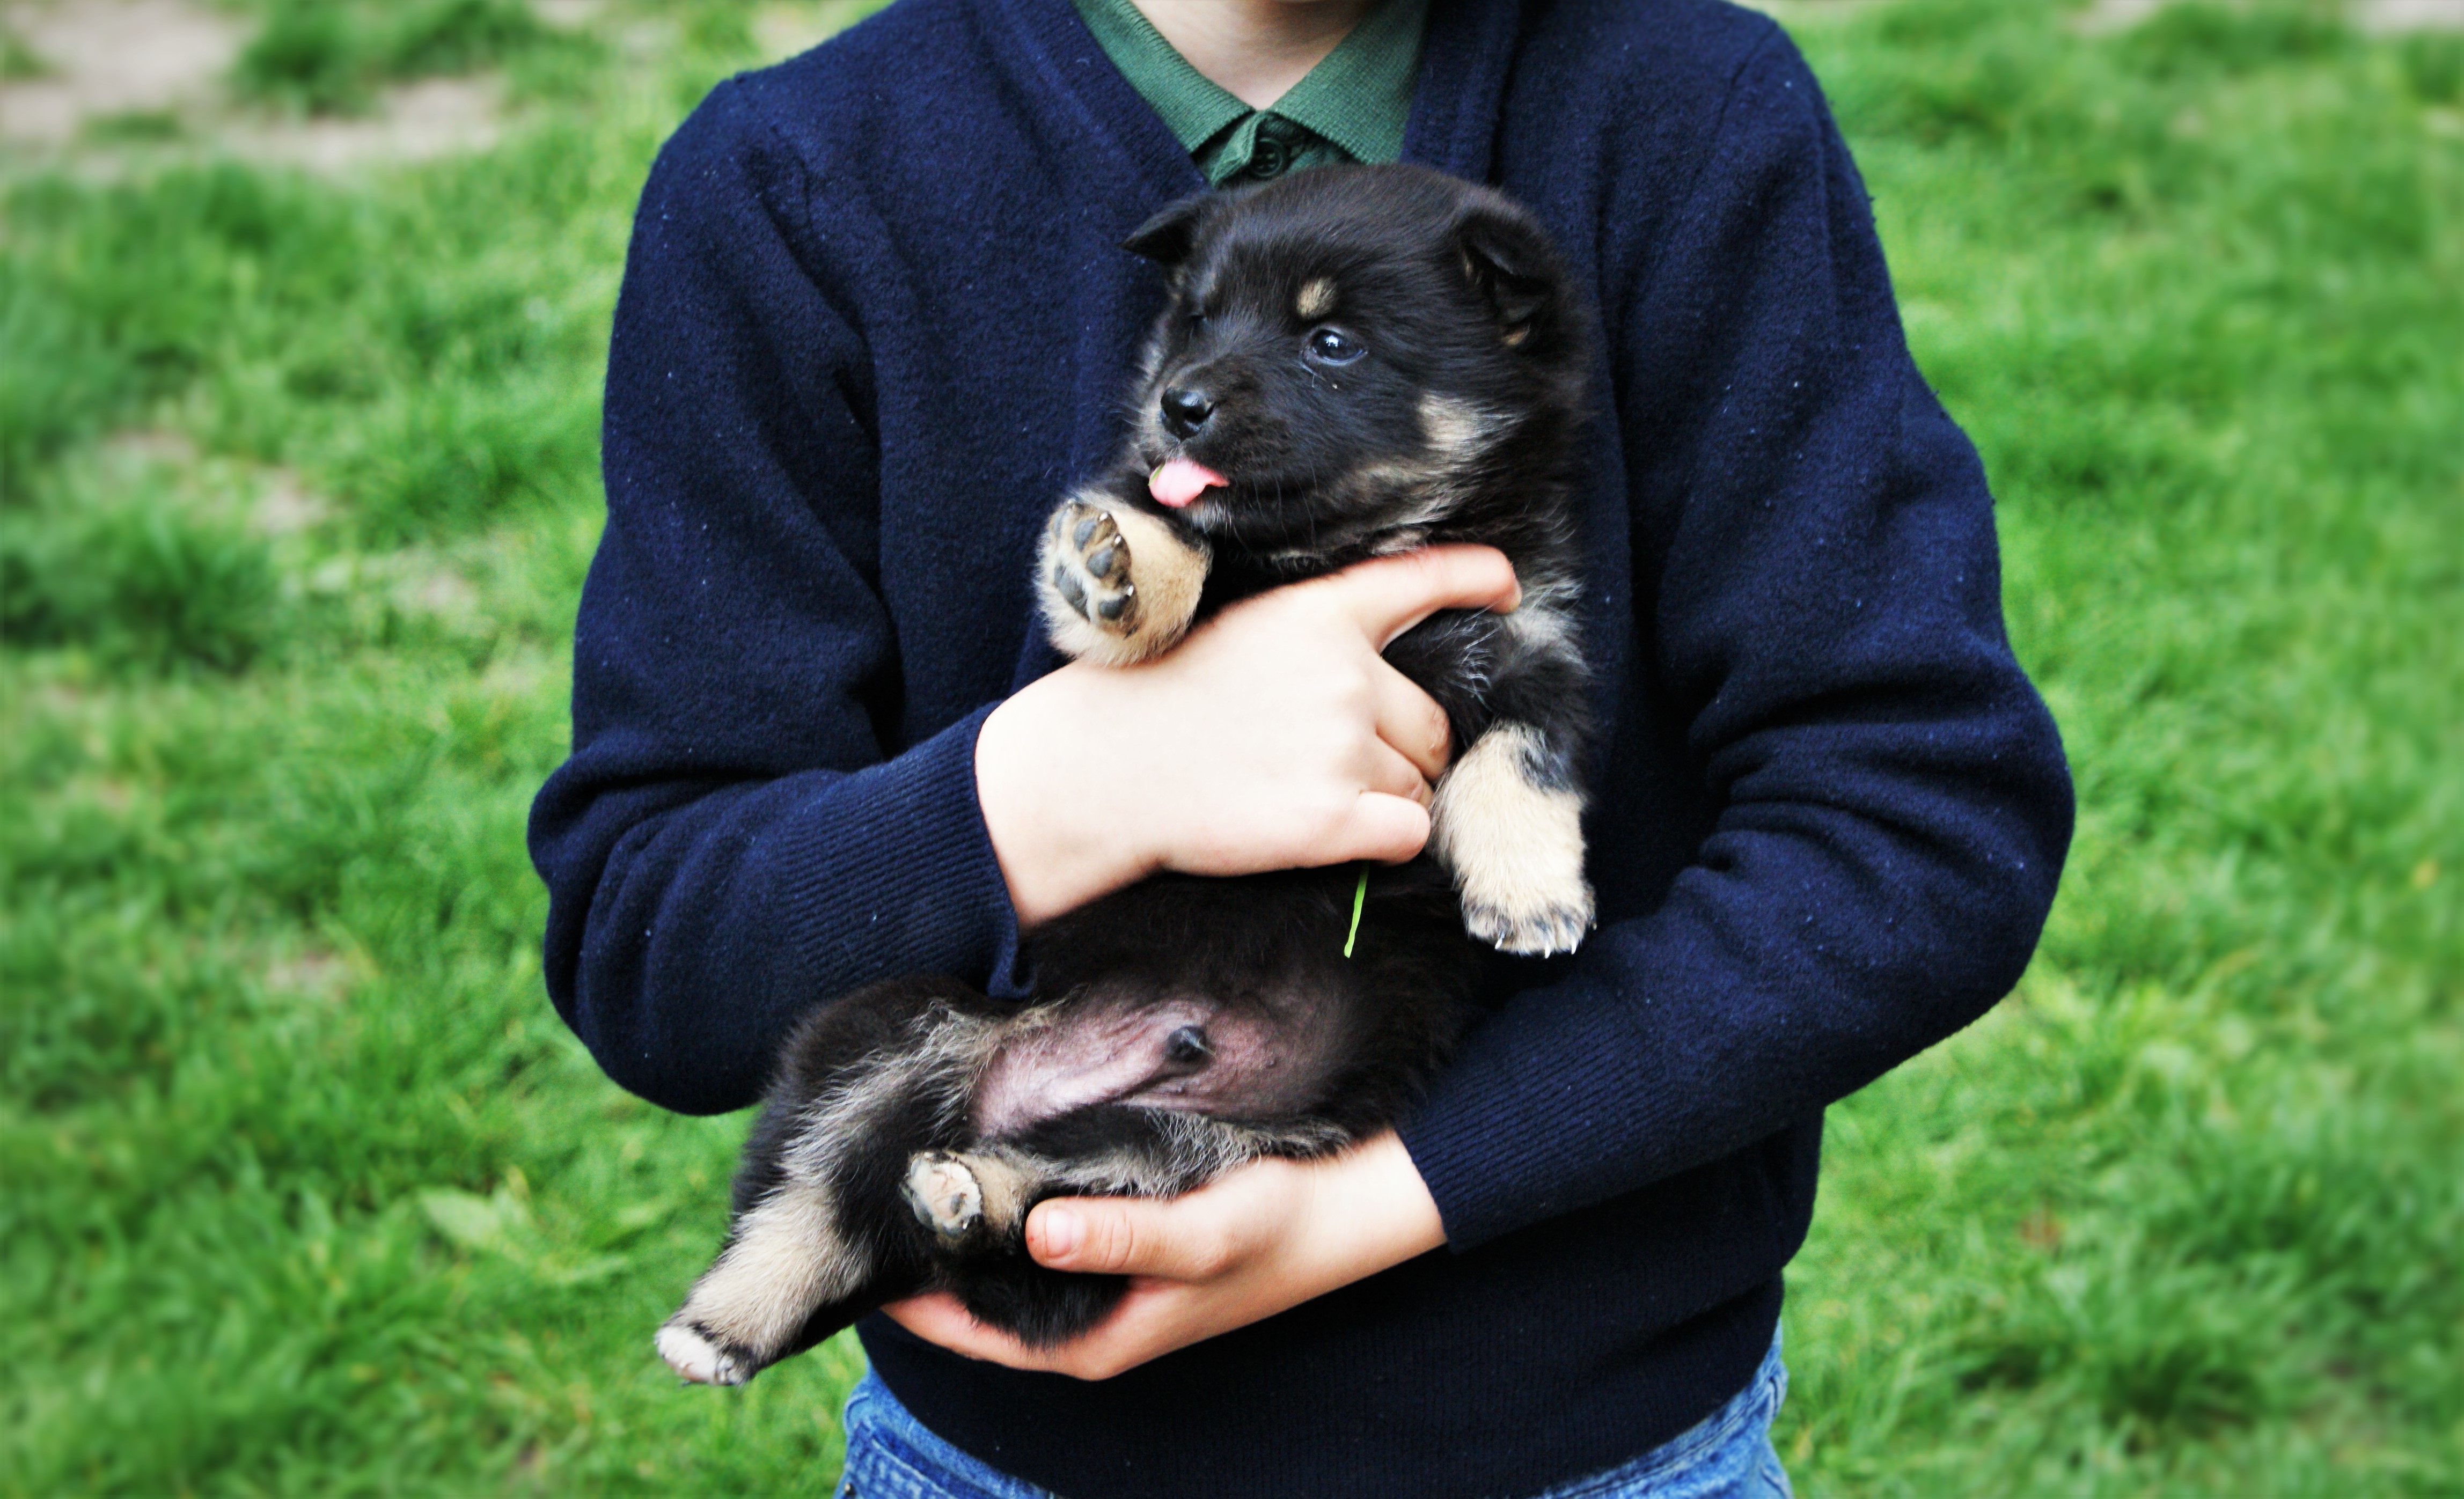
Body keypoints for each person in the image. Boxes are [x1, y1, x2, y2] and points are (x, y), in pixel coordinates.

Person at [526, 0, 2074, 1493]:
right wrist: (1063, 784)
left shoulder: (1686, 116)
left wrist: (1383, 1193)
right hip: (997, 1464)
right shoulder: (799, 182)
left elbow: (1926, 830)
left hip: (1607, 1448)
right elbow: (656, 941)